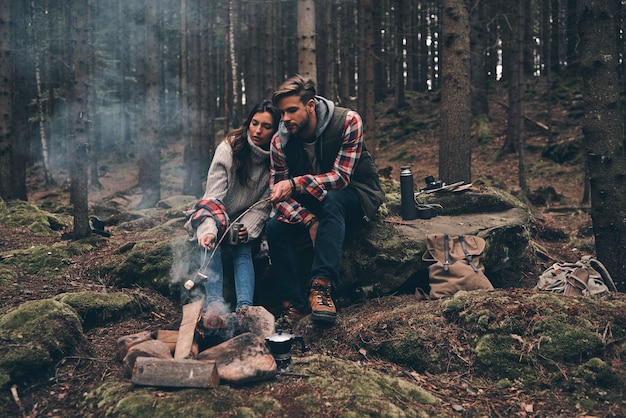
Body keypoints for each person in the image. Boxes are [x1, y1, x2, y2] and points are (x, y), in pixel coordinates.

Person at [267, 75, 385, 325]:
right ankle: (293, 305)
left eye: (292, 110)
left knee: (333, 199)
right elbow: (277, 189)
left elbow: (341, 178)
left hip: (355, 193)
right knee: (274, 227)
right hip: (311, 202)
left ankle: (321, 288)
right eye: (282, 113)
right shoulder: (279, 141)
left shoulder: (347, 121)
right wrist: (308, 220)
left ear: (310, 105)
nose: (285, 119)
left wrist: (296, 183)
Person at [186, 100, 281, 324]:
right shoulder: (228, 149)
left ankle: (245, 310)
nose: (258, 131)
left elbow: (263, 205)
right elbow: (212, 199)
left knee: (243, 247)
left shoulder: (278, 158)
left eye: (266, 126)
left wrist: (245, 230)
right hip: (217, 215)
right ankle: (215, 305)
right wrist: (209, 230)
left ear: (275, 130)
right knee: (210, 243)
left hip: (245, 219)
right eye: (254, 123)